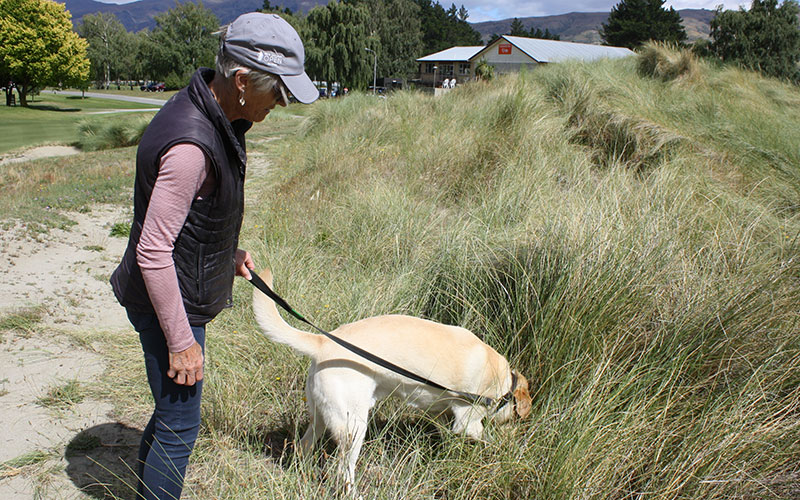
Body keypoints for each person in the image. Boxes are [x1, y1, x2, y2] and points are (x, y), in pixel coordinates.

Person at [110, 12, 317, 500]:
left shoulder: (219, 113)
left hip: (179, 289)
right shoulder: (191, 145)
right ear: (242, 80)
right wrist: (182, 341)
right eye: (280, 91)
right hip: (166, 302)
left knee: (170, 413)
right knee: (182, 423)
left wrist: (226, 255)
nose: (282, 103)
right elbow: (154, 249)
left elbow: (189, 222)